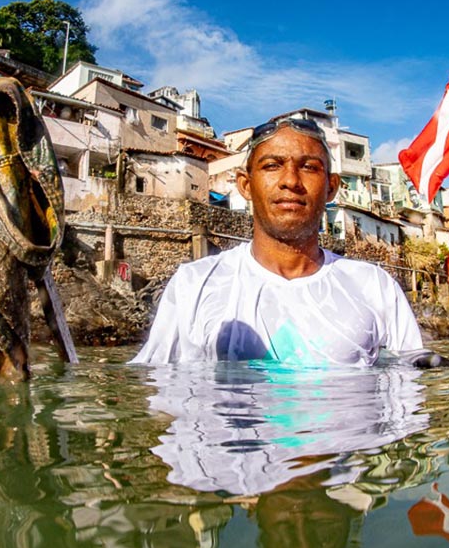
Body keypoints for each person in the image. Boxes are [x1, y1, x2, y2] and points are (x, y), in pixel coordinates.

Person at [133, 117, 423, 365]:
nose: (291, 181)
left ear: (331, 187)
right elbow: (154, 390)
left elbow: (414, 386)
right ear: (245, 185)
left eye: (309, 167)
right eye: (272, 165)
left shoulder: (374, 287)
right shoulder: (195, 285)